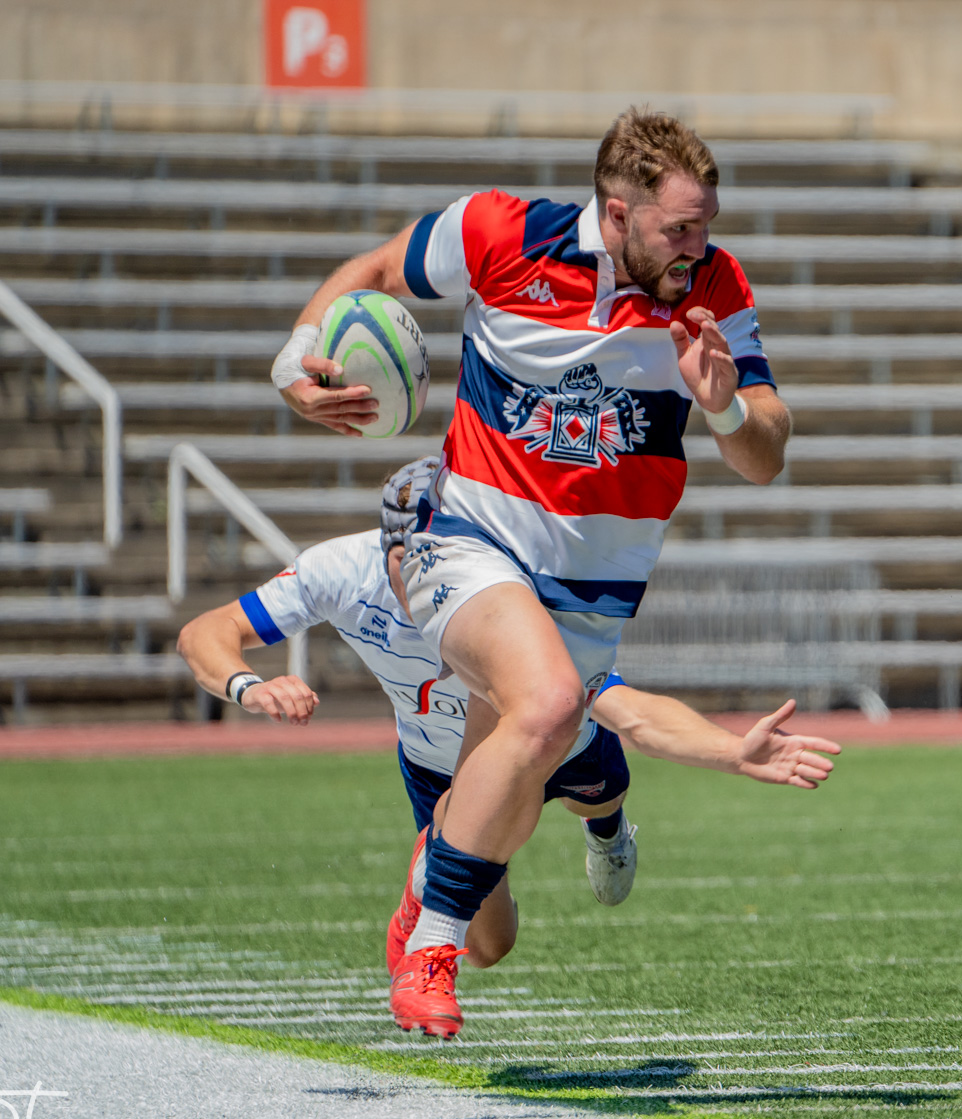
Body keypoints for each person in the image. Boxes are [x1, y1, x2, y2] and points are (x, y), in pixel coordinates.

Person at [268, 108, 791, 1030]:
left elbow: (768, 454)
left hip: (594, 595)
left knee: (504, 852)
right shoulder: (502, 234)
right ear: (617, 214)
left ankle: (439, 894)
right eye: (680, 226)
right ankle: (428, 953)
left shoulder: (716, 284)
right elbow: (379, 271)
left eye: (707, 223)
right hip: (464, 543)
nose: (699, 245)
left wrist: (725, 413)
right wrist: (292, 362)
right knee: (549, 706)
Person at [176, 461, 838, 1038]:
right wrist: (246, 685)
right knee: (491, 946)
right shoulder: (340, 571)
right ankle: (437, 855)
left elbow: (630, 711)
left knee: (602, 790)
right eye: (426, 553)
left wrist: (731, 751)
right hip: (445, 768)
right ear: (392, 545)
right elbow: (210, 630)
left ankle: (607, 832)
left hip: (556, 743)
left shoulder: (515, 594)